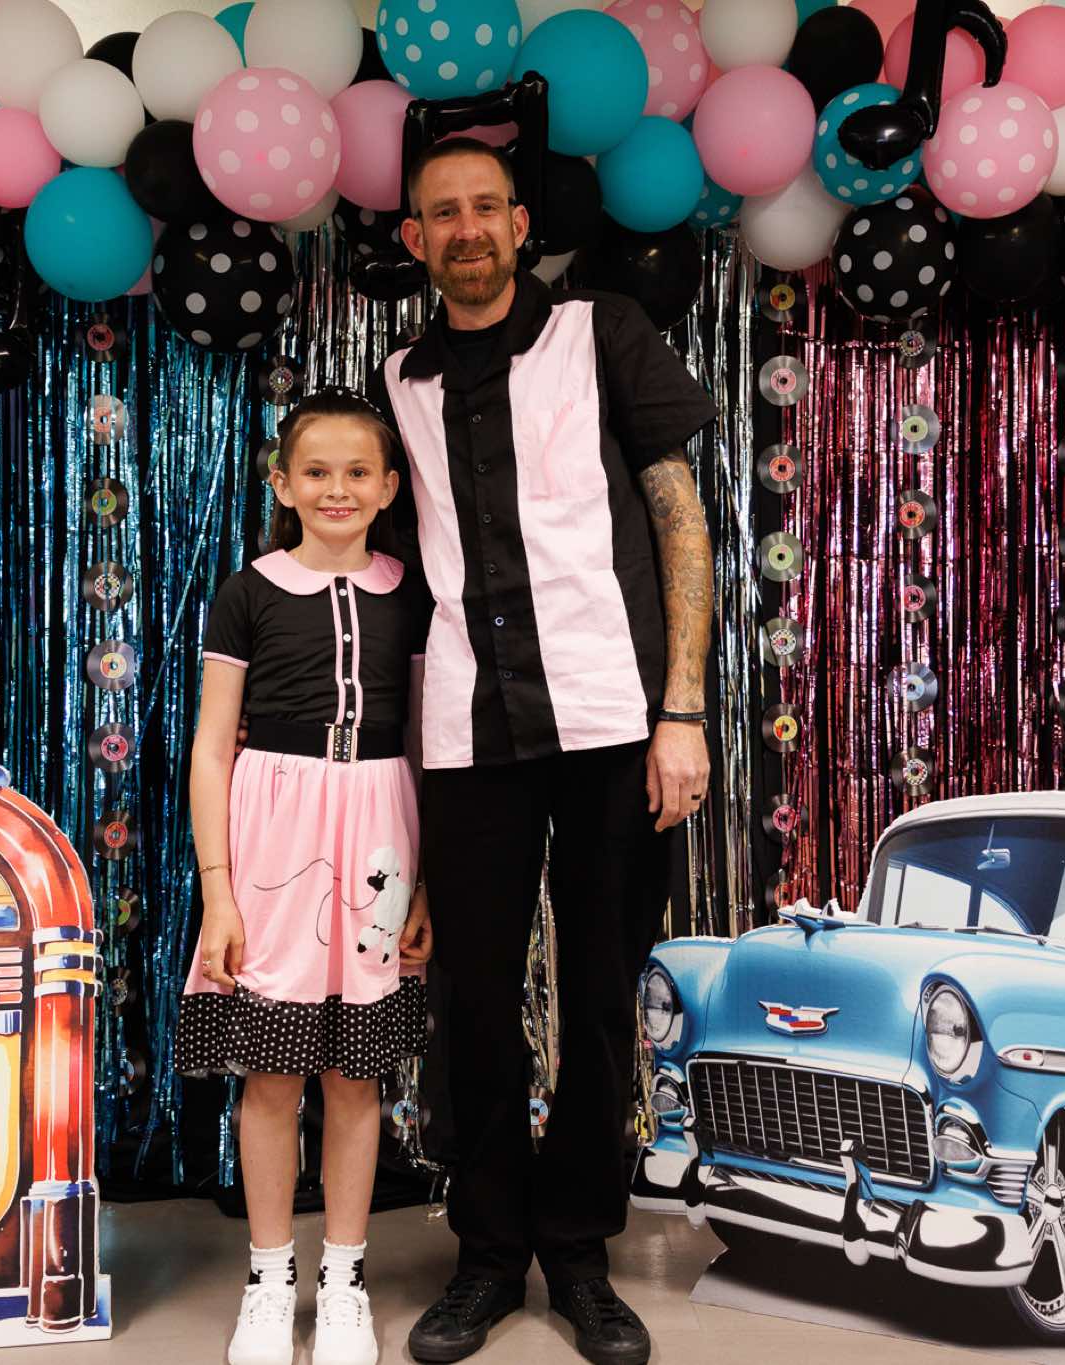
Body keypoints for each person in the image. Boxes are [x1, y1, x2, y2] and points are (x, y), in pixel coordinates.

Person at [371, 139, 717, 1365]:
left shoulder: (601, 330)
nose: (465, 229)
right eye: (441, 213)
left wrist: (682, 712)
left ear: (520, 225)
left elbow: (679, 520)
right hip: (468, 729)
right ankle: (485, 1253)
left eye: (484, 208)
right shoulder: (398, 378)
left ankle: (577, 1250)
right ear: (414, 239)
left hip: (616, 720)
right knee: (469, 998)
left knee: (601, 990)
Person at [180, 388, 437, 1365]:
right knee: (272, 1074)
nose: (337, 488)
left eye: (357, 471)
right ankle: (267, 1277)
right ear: (282, 484)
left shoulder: (411, 592)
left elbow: (426, 744)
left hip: (379, 832)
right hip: (272, 837)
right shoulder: (247, 591)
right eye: (316, 471)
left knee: (356, 1076)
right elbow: (213, 746)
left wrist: (425, 884)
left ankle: (343, 1280)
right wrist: (218, 889)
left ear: (389, 486)